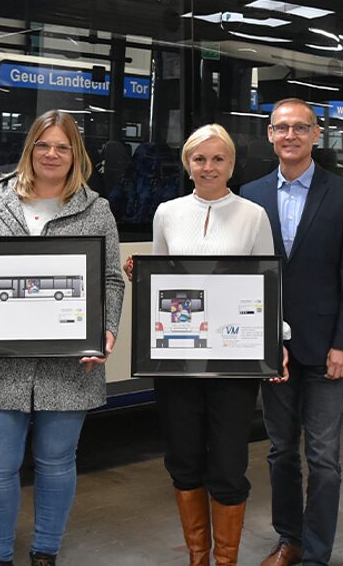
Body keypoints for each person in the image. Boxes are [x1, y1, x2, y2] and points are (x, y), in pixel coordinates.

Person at [0, 110, 124, 566]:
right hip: (2, 361)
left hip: (70, 364)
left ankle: (45, 552)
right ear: (30, 149)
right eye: (43, 145)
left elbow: (111, 280)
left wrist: (106, 330)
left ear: (76, 156)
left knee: (55, 464)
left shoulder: (96, 209)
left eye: (62, 147)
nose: (52, 154)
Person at [126, 124, 284, 566]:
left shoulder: (253, 214)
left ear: (232, 164)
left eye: (218, 159)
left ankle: (226, 560)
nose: (208, 167)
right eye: (200, 159)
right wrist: (139, 276)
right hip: (176, 360)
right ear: (187, 164)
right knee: (183, 460)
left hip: (233, 363)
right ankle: (199, 557)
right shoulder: (167, 213)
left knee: (230, 466)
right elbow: (159, 279)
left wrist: (276, 342)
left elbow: (268, 286)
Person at [239, 98, 343, 566]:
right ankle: (288, 539)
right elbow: (243, 273)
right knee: (279, 452)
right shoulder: (250, 195)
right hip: (273, 348)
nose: (290, 135)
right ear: (269, 136)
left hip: (325, 350)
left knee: (325, 460)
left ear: (317, 135)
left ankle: (317, 553)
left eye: (300, 127)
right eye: (281, 128)